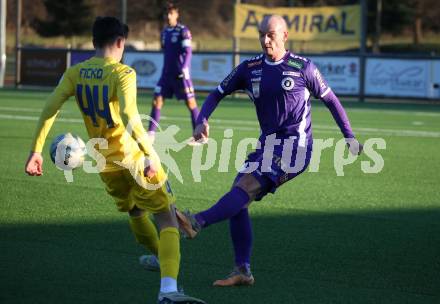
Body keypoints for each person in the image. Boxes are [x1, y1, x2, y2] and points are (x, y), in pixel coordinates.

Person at [24, 16, 205, 304]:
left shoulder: (75, 72)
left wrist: (36, 150)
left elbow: (50, 107)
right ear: (120, 43)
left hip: (104, 164)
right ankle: (168, 290)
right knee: (168, 219)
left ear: (94, 42)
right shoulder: (123, 73)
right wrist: (149, 155)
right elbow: (129, 117)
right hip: (133, 159)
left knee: (134, 211)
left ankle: (162, 261)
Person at [176, 15, 363, 287]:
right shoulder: (249, 68)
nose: (265, 40)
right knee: (238, 197)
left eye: (271, 34)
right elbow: (217, 93)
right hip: (268, 147)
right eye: (261, 34)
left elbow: (332, 101)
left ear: (285, 36)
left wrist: (349, 136)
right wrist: (202, 119)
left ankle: (196, 222)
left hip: (296, 149)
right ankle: (242, 270)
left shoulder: (303, 68)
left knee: (245, 187)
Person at [147, 2, 199, 142]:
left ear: (177, 15)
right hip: (166, 75)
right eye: (167, 13)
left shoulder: (183, 31)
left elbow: (188, 52)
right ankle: (150, 134)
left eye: (171, 13)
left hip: (181, 75)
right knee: (156, 101)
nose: (168, 16)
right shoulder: (164, 32)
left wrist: (184, 67)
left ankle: (199, 136)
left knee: (191, 103)